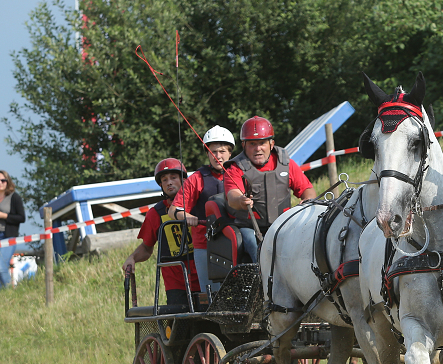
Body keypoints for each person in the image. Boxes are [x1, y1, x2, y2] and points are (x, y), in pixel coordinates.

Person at [223, 116, 316, 263]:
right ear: (243, 145)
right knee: (252, 244)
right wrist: (241, 200)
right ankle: (261, 278)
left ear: (271, 144)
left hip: (283, 225)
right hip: (249, 227)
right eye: (252, 144)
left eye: (262, 143)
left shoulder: (287, 164)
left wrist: (307, 201)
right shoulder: (235, 168)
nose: (258, 148)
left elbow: (308, 190)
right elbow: (232, 196)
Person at [122, 158, 200, 306]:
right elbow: (146, 247)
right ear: (161, 185)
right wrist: (132, 258)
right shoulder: (155, 213)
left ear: (184, 179)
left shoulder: (199, 204)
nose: (169, 182)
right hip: (176, 282)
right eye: (164, 180)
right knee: (180, 326)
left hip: (204, 275)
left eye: (173, 177)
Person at [168, 126, 235, 294]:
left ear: (230, 153)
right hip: (205, 245)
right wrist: (187, 216)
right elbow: (173, 209)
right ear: (207, 154)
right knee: (212, 295)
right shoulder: (196, 179)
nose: (217, 156)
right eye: (212, 152)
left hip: (235, 241)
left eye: (221, 151)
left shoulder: (238, 174)